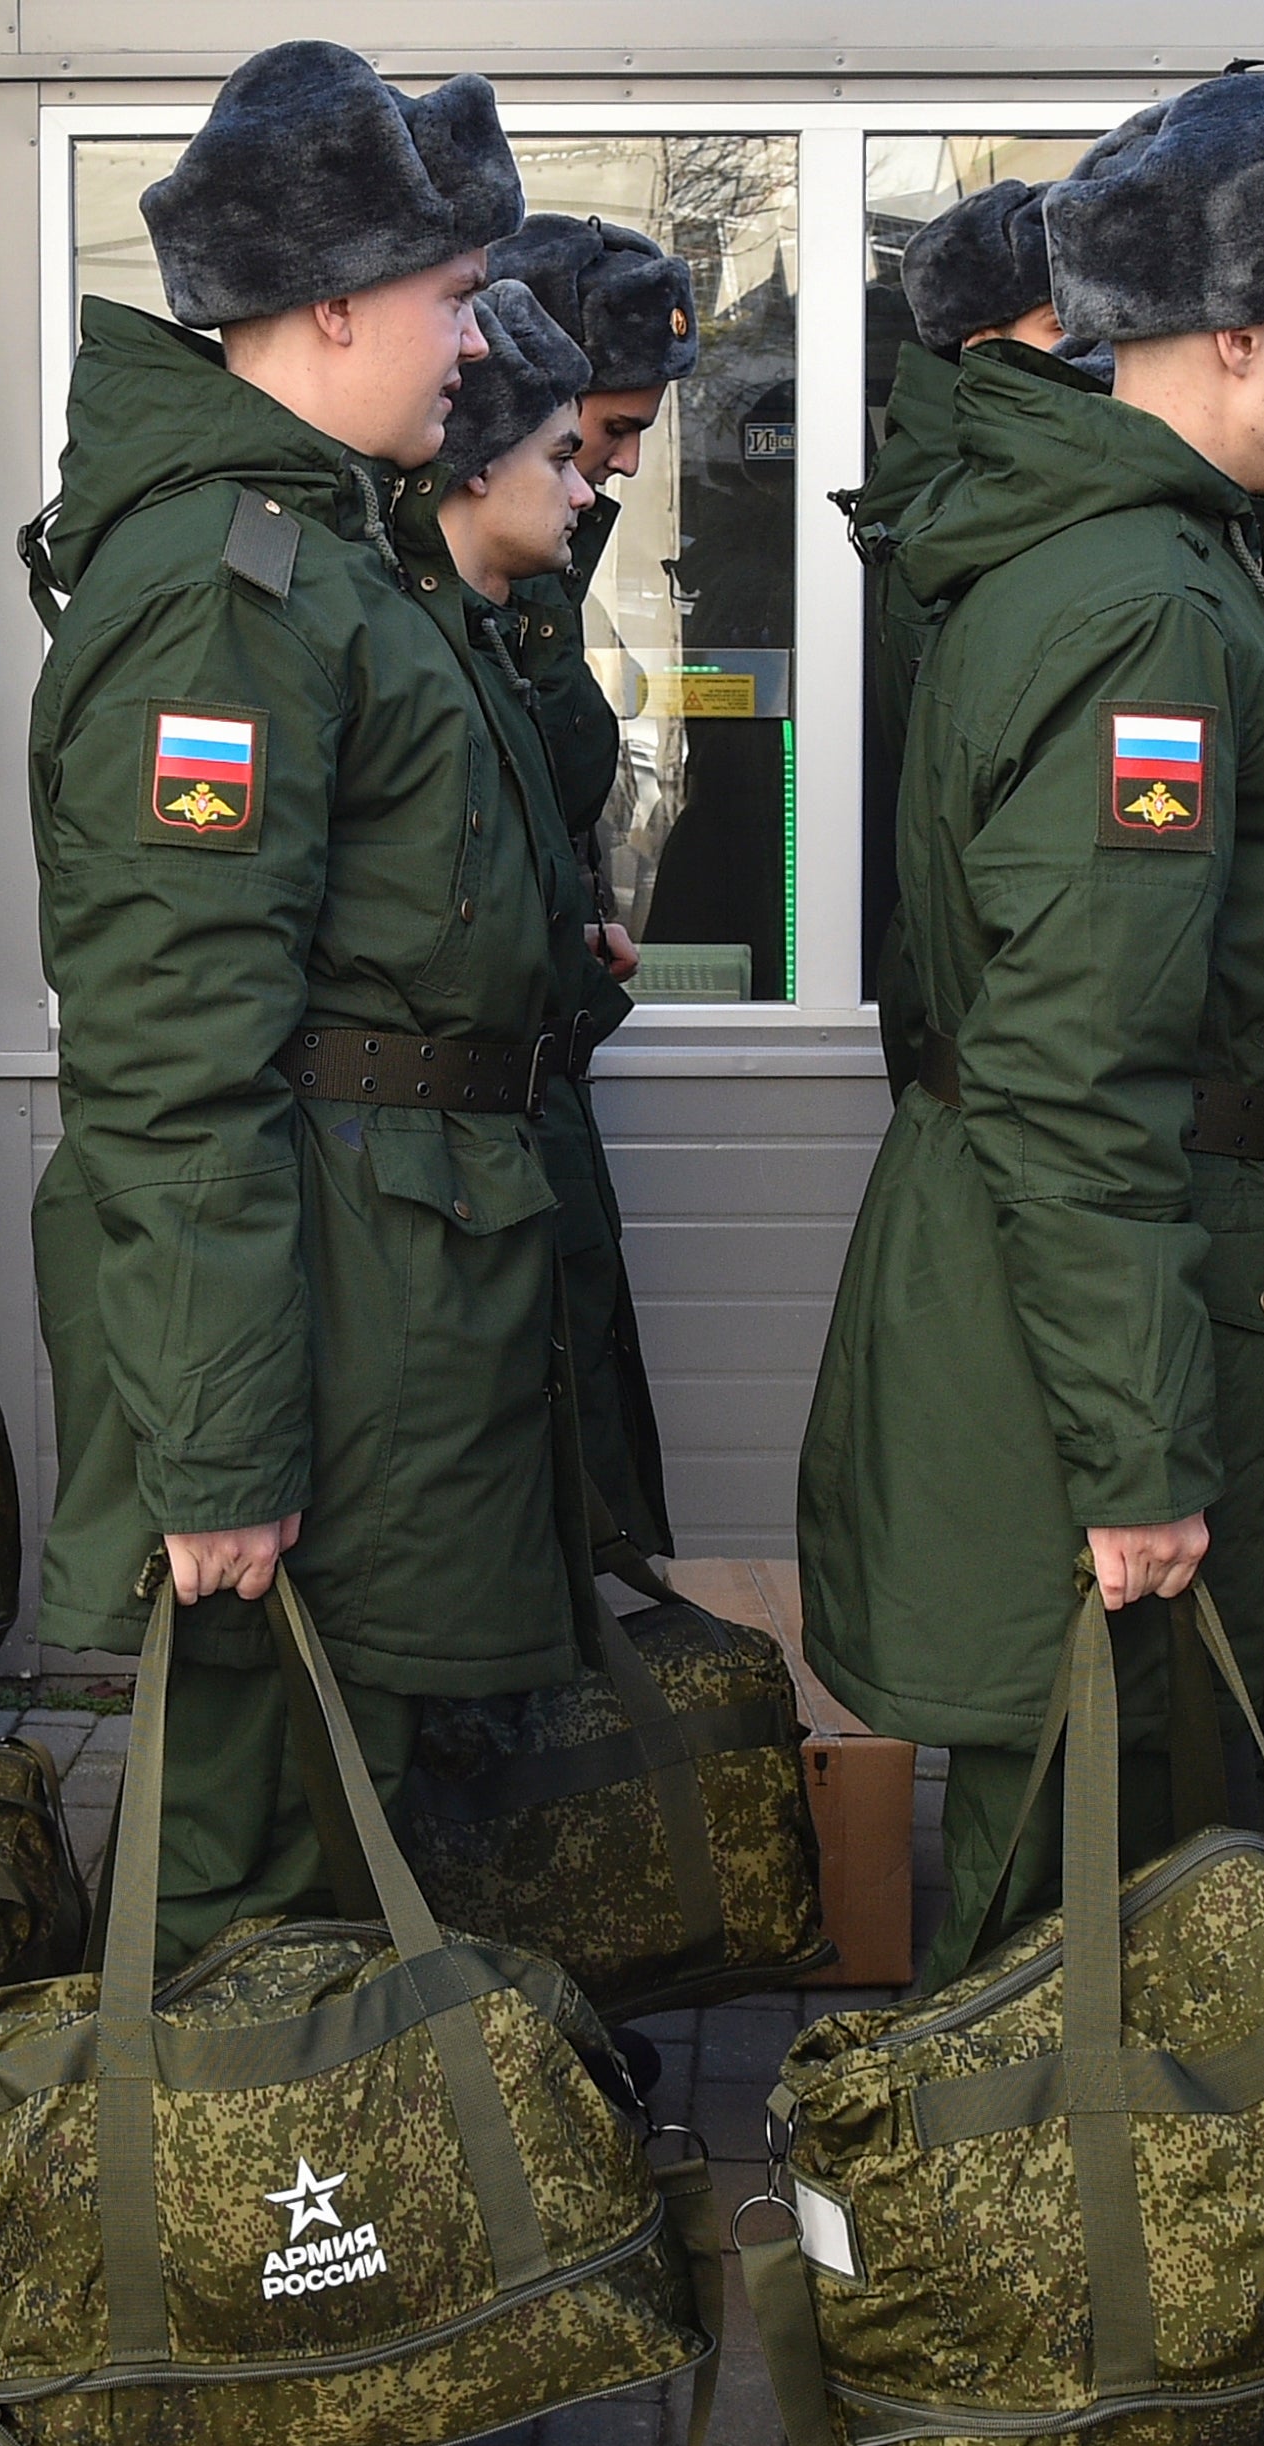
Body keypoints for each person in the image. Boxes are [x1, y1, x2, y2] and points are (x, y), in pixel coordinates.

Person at [26, 42, 561, 2446]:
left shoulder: (317, 544)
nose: (479, 341)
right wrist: (212, 1451)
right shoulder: (218, 584)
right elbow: (170, 1062)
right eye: (453, 293)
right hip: (298, 1323)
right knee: (238, 1858)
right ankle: (192, 2428)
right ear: (327, 300)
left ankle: (288, 2335)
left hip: (383, 1289)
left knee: (320, 1847)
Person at [796, 69, 1264, 1990]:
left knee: (1097, 1852)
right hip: (1086, 1335)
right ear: (1231, 336)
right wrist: (1144, 1449)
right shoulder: (1140, 609)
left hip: (1122, 1302)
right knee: (1063, 1885)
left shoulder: (1132, 556)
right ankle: (1024, 2272)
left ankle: (1056, 2257)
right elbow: (1081, 1072)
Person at [477, 213, 695, 1550]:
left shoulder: (538, 572)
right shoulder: (466, 576)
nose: (613, 470)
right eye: (601, 433)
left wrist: (573, 921)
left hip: (536, 1074)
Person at [850, 181, 1087, 1096]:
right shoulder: (963, 509)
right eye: (1065, 332)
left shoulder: (966, 485)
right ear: (981, 345)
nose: (1103, 361)